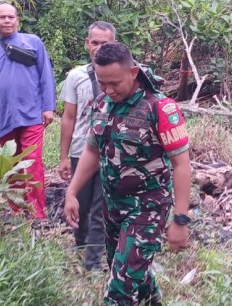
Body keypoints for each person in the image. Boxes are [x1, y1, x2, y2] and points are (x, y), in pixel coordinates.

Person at [64, 42, 192, 306]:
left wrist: (180, 219)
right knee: (130, 270)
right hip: (113, 206)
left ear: (133, 73)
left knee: (120, 289)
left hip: (147, 208)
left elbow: (181, 165)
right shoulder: (102, 103)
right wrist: (72, 192)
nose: (109, 90)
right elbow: (92, 150)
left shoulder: (160, 108)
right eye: (102, 83)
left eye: (115, 84)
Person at [0, 3, 56, 221]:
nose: (7, 20)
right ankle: (17, 212)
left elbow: (46, 75)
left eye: (11, 17)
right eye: (2, 17)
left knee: (32, 161)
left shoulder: (33, 42)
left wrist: (48, 107)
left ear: (18, 20)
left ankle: (37, 214)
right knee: (10, 166)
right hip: (5, 117)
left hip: (32, 115)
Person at [59, 21, 116, 271]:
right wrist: (64, 156)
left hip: (110, 152)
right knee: (79, 203)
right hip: (81, 149)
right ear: (87, 43)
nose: (99, 47)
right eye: (95, 42)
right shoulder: (76, 76)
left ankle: (93, 262)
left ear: (114, 44)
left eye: (105, 43)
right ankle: (80, 244)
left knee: (100, 208)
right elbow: (69, 117)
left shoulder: (123, 75)